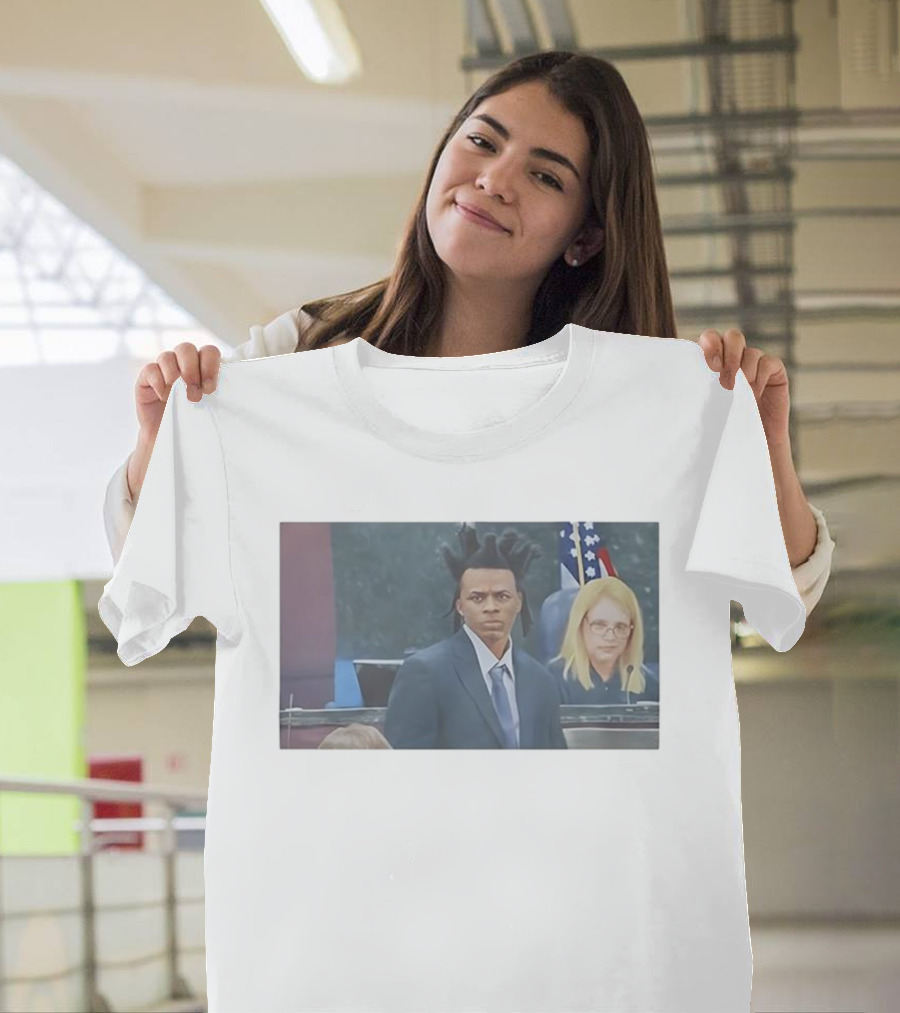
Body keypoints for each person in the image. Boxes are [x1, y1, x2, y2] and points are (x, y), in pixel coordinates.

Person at [102, 50, 835, 614]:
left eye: (545, 176)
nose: (494, 179)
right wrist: (156, 445)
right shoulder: (299, 352)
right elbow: (154, 569)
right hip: (343, 802)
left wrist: (761, 446)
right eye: (482, 141)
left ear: (585, 237)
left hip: (556, 803)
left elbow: (785, 590)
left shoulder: (638, 400)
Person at [383, 524, 567, 749]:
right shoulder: (425, 673)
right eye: (478, 598)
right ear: (460, 606)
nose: (491, 607)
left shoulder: (540, 681)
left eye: (502, 596)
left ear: (518, 602)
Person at [548, 576, 658, 706]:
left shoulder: (648, 683)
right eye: (599, 625)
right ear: (579, 625)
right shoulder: (552, 680)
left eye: (620, 627)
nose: (610, 637)